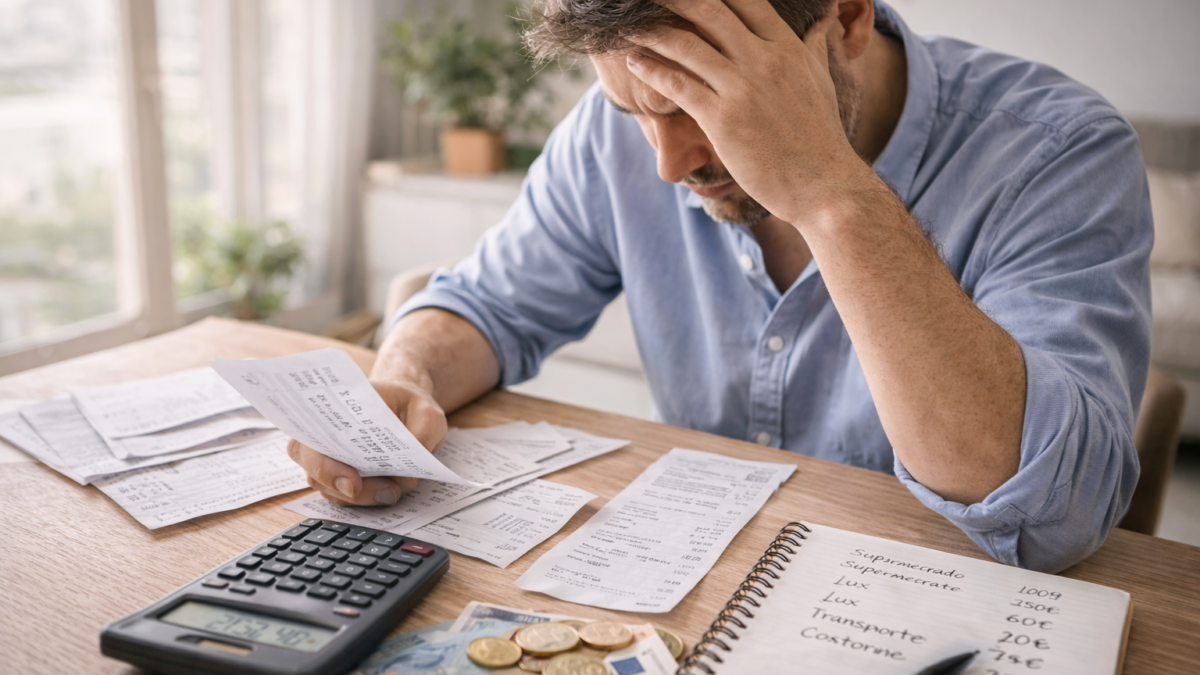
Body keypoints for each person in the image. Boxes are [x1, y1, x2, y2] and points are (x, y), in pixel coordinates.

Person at [289, 0, 1152, 573]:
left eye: (699, 104)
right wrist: (402, 376)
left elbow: (1050, 513)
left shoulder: (1058, 150)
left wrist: (830, 192)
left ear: (845, 17)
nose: (666, 164)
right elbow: (487, 302)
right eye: (638, 114)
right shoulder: (611, 137)